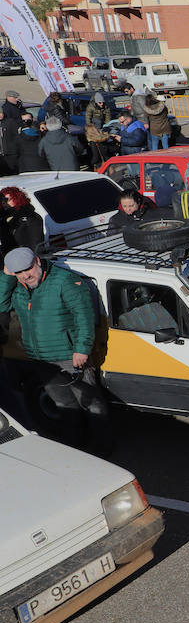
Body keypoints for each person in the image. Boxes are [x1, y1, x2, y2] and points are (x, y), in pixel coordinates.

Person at [0, 246, 100, 444]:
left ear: (37, 261)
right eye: (18, 272)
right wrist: (6, 277)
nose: (25, 276)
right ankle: (77, 446)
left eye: (27, 269)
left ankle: (102, 447)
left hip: (70, 356)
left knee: (92, 405)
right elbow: (1, 305)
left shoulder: (64, 281)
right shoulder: (18, 287)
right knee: (63, 404)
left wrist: (81, 348)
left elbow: (84, 316)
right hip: (42, 359)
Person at [1, 187, 44, 251]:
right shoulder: (6, 218)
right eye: (2, 201)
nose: (4, 203)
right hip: (11, 257)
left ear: (17, 198)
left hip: (27, 258)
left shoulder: (31, 217)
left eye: (7, 199)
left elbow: (36, 245)